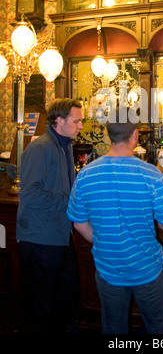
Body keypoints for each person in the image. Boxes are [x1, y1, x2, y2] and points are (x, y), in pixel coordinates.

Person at [67, 106, 163, 334]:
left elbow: (78, 223)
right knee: (161, 329)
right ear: (135, 135)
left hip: (107, 268)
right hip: (146, 268)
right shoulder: (151, 174)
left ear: (108, 135)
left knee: (114, 329)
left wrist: (101, 240)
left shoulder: (86, 174)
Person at [16, 98, 83, 333]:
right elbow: (31, 195)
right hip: (39, 239)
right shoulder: (41, 147)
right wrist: (72, 204)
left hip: (58, 237)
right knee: (40, 305)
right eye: (77, 121)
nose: (81, 126)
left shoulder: (64, 146)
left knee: (67, 295)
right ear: (59, 121)